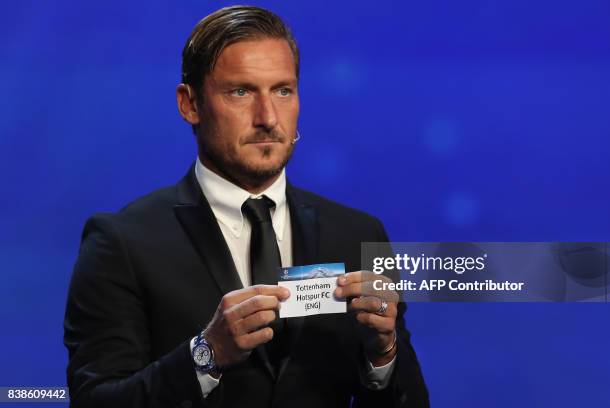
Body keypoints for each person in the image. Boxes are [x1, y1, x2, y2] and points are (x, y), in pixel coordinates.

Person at [63, 5, 429, 408]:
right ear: (190, 104)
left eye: (282, 90)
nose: (268, 117)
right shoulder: (122, 242)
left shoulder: (358, 234)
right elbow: (95, 401)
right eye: (241, 91)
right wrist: (206, 355)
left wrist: (384, 354)